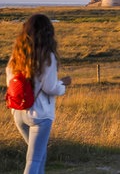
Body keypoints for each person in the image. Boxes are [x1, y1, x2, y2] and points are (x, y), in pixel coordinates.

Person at [6, 14, 72, 174]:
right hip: (39, 115)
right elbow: (50, 88)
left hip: (18, 112)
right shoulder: (46, 56)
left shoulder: (17, 54)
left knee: (39, 156)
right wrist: (63, 84)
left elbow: (10, 81)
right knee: (34, 162)